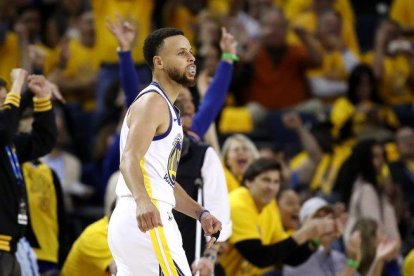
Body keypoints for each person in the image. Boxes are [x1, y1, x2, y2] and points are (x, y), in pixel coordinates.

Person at [107, 28, 221, 275]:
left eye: (191, 51)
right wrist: (143, 201)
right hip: (148, 220)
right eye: (181, 53)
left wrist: (199, 213)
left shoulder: (167, 109)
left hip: (142, 218)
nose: (191, 57)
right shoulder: (153, 102)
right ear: (158, 62)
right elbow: (129, 159)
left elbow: (163, 182)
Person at [219, 158, 337, 275]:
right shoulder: (238, 204)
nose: (271, 187)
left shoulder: (270, 205)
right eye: (266, 180)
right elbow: (259, 258)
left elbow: (289, 257)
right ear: (249, 182)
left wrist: (315, 241)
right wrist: (304, 232)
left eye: (276, 182)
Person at [0, 69, 57, 275]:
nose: (6, 107)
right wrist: (17, 85)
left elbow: (43, 141)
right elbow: (5, 127)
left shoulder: (9, 145)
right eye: (2, 103)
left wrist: (41, 98)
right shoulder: (4, 135)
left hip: (11, 246)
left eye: (5, 101)